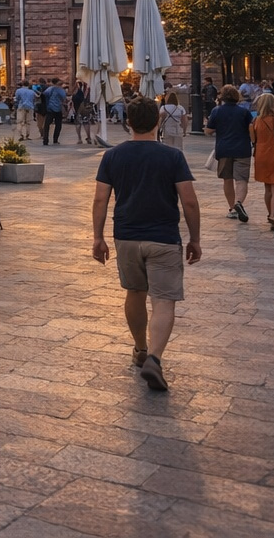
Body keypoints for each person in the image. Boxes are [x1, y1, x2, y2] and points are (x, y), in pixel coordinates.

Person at [91, 98, 201, 392]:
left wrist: (98, 237)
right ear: (157, 121)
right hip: (163, 238)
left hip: (126, 236)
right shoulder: (172, 156)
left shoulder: (112, 156)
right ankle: (154, 357)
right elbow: (189, 201)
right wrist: (195, 238)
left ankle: (140, 349)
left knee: (134, 292)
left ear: (128, 122)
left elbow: (100, 199)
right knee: (163, 301)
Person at [205, 83, 253, 223]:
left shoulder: (216, 111)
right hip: (242, 149)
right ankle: (239, 203)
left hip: (224, 149)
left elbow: (209, 131)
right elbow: (251, 129)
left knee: (227, 179)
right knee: (241, 179)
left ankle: (232, 208)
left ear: (222, 96)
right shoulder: (244, 112)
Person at [249, 92, 274, 231]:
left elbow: (253, 140)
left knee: (268, 189)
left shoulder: (255, 122)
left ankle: (270, 213)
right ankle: (273, 215)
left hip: (261, 156)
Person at [40, 80, 68, 145]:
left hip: (50, 108)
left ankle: (45, 140)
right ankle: (55, 140)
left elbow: (43, 95)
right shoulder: (62, 91)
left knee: (47, 125)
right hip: (58, 109)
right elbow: (64, 98)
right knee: (58, 125)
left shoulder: (50, 89)